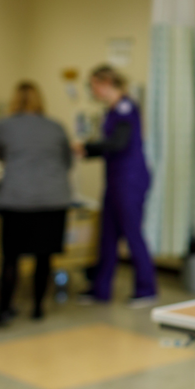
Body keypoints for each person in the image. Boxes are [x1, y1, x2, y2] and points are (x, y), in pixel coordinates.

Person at [0, 81, 72, 327]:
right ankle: (37, 308)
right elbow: (67, 161)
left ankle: (4, 309)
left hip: (18, 200)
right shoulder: (56, 126)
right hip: (53, 199)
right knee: (43, 256)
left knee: (10, 257)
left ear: (14, 100)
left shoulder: (4, 125)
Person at [74, 65, 156, 307]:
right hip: (115, 180)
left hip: (130, 181)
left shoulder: (126, 107)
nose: (92, 90)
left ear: (107, 82)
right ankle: (101, 289)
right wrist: (87, 151)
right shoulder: (110, 111)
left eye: (94, 85)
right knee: (107, 235)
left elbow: (118, 143)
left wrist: (88, 148)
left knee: (132, 233)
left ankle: (146, 288)